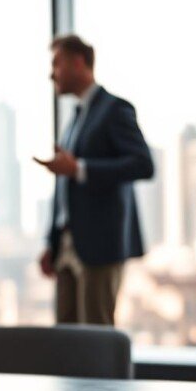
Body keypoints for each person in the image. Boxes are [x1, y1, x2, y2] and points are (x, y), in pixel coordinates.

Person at [34, 34, 153, 325]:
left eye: (56, 64)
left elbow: (143, 165)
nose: (52, 74)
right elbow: (64, 187)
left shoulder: (114, 110)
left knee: (96, 337)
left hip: (100, 244)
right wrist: (53, 241)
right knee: (67, 336)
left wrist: (80, 169)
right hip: (66, 246)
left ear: (78, 63)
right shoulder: (75, 118)